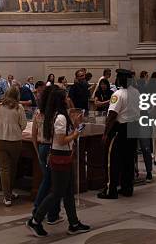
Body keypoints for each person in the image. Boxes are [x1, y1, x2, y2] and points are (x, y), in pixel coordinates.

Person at [26, 88, 91, 237]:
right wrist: (75, 134)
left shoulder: (58, 116)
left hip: (63, 156)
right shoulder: (60, 117)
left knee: (68, 193)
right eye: (66, 97)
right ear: (61, 100)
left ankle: (74, 223)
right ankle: (35, 220)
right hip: (60, 156)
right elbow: (61, 141)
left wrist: (75, 124)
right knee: (57, 192)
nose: (68, 98)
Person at [97, 69, 140, 199]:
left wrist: (105, 133)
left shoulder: (118, 94)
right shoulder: (136, 92)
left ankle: (111, 190)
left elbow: (112, 115)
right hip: (134, 128)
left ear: (120, 80)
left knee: (113, 160)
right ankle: (127, 188)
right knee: (129, 160)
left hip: (120, 129)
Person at [0, 87, 27, 206]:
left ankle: (7, 197)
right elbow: (23, 124)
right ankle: (10, 192)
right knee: (13, 167)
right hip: (14, 140)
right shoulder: (19, 107)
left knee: (4, 169)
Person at [31, 85, 61, 223]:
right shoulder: (55, 114)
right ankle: (43, 210)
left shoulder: (38, 112)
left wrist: (38, 152)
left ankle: (50, 212)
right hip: (52, 149)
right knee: (51, 182)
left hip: (42, 148)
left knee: (48, 180)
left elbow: (33, 135)